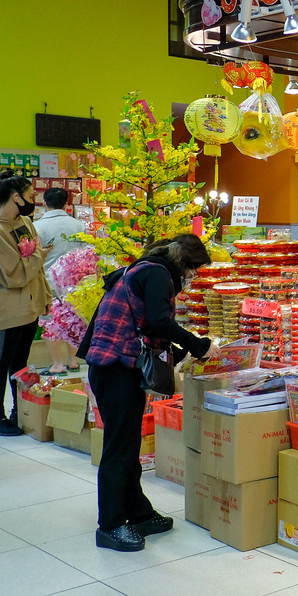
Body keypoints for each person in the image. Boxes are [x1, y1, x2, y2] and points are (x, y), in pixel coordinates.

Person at [77, 234, 220, 552]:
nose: (192, 277)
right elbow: (159, 320)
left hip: (114, 365)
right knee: (119, 448)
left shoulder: (144, 269)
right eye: (193, 269)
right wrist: (198, 345)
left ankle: (138, 512)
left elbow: (148, 325)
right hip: (116, 368)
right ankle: (111, 525)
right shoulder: (157, 273)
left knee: (128, 444)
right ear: (183, 261)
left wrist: (181, 353)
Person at [0, 170, 52, 436]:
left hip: (30, 304)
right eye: (31, 195)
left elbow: (36, 267)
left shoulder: (25, 222)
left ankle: (18, 409)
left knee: (20, 363)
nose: (35, 199)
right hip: (8, 307)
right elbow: (11, 273)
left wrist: (45, 295)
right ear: (16, 197)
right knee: (1, 360)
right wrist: (38, 257)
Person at [35, 187, 87, 374]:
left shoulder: (38, 226)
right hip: (74, 282)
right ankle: (73, 360)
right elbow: (86, 253)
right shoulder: (78, 225)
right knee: (72, 319)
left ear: (44, 202)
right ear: (67, 203)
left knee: (50, 321)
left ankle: (57, 363)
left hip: (47, 281)